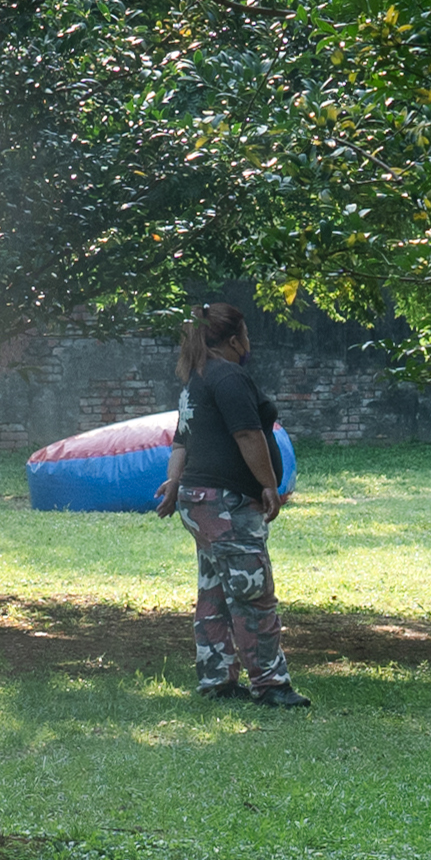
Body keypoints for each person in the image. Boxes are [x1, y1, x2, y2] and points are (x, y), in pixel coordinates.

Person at [151, 298, 304, 708]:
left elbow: (182, 438)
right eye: (247, 334)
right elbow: (248, 435)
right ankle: (271, 685)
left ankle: (218, 679)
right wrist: (268, 485)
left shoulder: (196, 380)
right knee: (253, 593)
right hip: (226, 503)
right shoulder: (229, 377)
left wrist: (173, 483)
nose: (249, 341)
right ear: (235, 339)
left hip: (200, 501)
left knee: (215, 592)